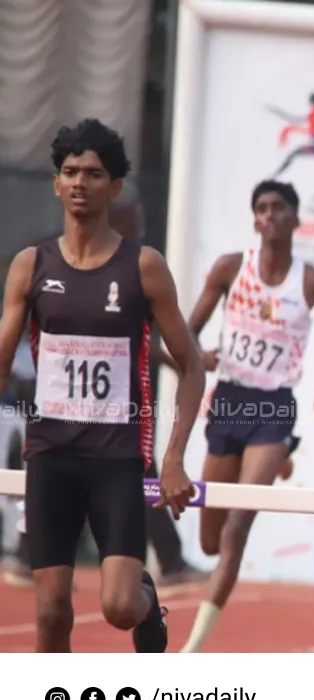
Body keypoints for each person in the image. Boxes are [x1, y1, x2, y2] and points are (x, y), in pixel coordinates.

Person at [0, 118, 205, 652]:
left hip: (116, 459)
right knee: (50, 611)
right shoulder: (29, 266)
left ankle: (143, 595)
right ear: (55, 182)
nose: (79, 182)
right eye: (69, 171)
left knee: (117, 607)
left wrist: (175, 458)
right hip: (50, 456)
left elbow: (192, 366)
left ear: (114, 187)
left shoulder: (143, 267)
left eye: (93, 173)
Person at [178, 179, 314, 653]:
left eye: (278, 208)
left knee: (235, 530)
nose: (269, 216)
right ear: (255, 220)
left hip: (273, 406)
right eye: (262, 209)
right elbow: (186, 331)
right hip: (229, 400)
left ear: (295, 219)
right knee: (208, 540)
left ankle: (192, 648)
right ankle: (281, 456)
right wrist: (198, 355)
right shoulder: (231, 269)